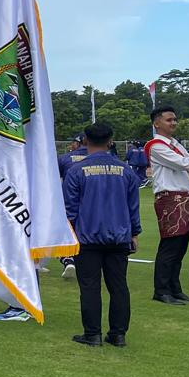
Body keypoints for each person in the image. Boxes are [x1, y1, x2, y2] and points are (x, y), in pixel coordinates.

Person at [63, 122, 141, 347]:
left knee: (89, 287)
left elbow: (70, 209)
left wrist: (70, 234)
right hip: (119, 236)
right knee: (119, 286)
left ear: (85, 140)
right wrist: (134, 233)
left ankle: (92, 334)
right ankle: (118, 334)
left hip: (87, 237)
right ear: (111, 141)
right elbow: (133, 206)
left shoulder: (76, 170)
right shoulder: (125, 170)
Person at [145, 106, 189, 305]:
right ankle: (162, 290)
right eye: (169, 120)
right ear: (156, 123)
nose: (173, 123)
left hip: (183, 197)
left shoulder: (175, 144)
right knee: (170, 245)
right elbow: (184, 163)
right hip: (169, 198)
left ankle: (175, 288)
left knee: (180, 246)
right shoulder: (156, 145)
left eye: (174, 119)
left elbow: (187, 163)